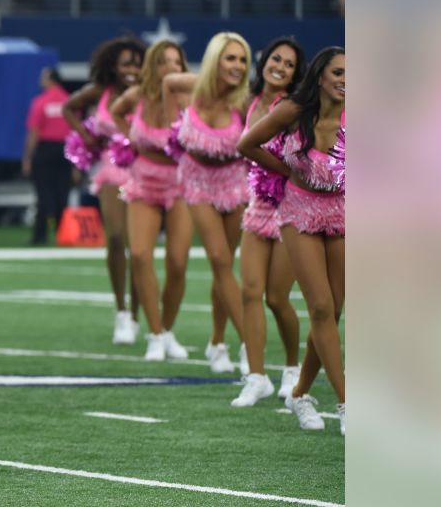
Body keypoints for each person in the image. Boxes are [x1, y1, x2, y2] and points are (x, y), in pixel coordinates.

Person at [237, 47, 345, 434]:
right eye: (338, 72)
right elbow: (246, 144)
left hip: (343, 212)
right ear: (320, 76)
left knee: (333, 313)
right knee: (318, 306)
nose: (345, 79)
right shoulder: (294, 111)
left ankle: (300, 393)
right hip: (297, 211)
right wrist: (287, 171)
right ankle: (347, 402)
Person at [163, 32, 252, 375]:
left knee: (225, 265)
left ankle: (217, 341)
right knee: (218, 258)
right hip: (197, 180)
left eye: (242, 60)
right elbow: (169, 82)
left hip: (233, 182)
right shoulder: (194, 86)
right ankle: (249, 343)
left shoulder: (243, 102)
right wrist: (176, 125)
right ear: (216, 59)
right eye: (230, 58)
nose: (237, 66)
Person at [229, 37, 306, 407]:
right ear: (264, 60)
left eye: (289, 64)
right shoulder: (249, 100)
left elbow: (297, 158)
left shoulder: (292, 107)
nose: (280, 67)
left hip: (291, 207)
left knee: (277, 298)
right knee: (249, 290)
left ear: (296, 74)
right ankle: (255, 376)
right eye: (276, 58)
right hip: (258, 205)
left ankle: (291, 368)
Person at [109, 40, 195, 362]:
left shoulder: (188, 99)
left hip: (180, 184)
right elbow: (117, 112)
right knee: (142, 256)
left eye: (177, 62)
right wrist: (129, 138)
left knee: (177, 262)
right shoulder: (138, 96)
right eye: (164, 62)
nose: (171, 68)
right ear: (153, 66)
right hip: (143, 182)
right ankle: (155, 334)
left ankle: (168, 330)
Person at [63, 36, 145, 345]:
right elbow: (69, 108)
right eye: (126, 63)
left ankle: (139, 314)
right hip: (111, 165)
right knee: (115, 236)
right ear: (113, 66)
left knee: (140, 248)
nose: (132, 70)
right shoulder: (101, 92)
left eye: (137, 63)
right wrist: (86, 135)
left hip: (144, 169)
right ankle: (121, 311)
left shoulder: (148, 94)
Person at [23, 67, 72, 246]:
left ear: (51, 79)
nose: (40, 79)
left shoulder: (40, 102)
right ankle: (63, 234)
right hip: (65, 150)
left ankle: (40, 235)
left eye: (43, 76)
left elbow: (34, 131)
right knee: (62, 194)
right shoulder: (68, 101)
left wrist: (28, 157)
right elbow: (75, 131)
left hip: (45, 150)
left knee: (43, 195)